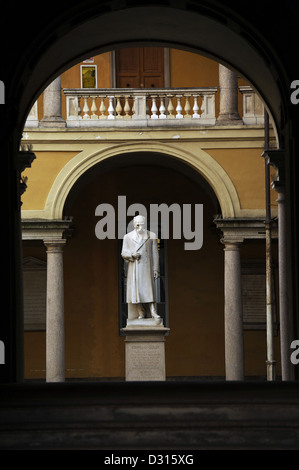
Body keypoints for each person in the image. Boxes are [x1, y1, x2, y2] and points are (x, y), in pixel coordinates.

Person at [121, 215, 160, 319]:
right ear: (134, 225)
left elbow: (155, 253)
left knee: (149, 289)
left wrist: (156, 268)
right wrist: (132, 255)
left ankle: (152, 311)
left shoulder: (151, 235)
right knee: (136, 291)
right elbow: (123, 252)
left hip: (147, 268)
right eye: (137, 225)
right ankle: (141, 312)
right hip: (135, 268)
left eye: (142, 224)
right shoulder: (128, 237)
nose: (140, 227)